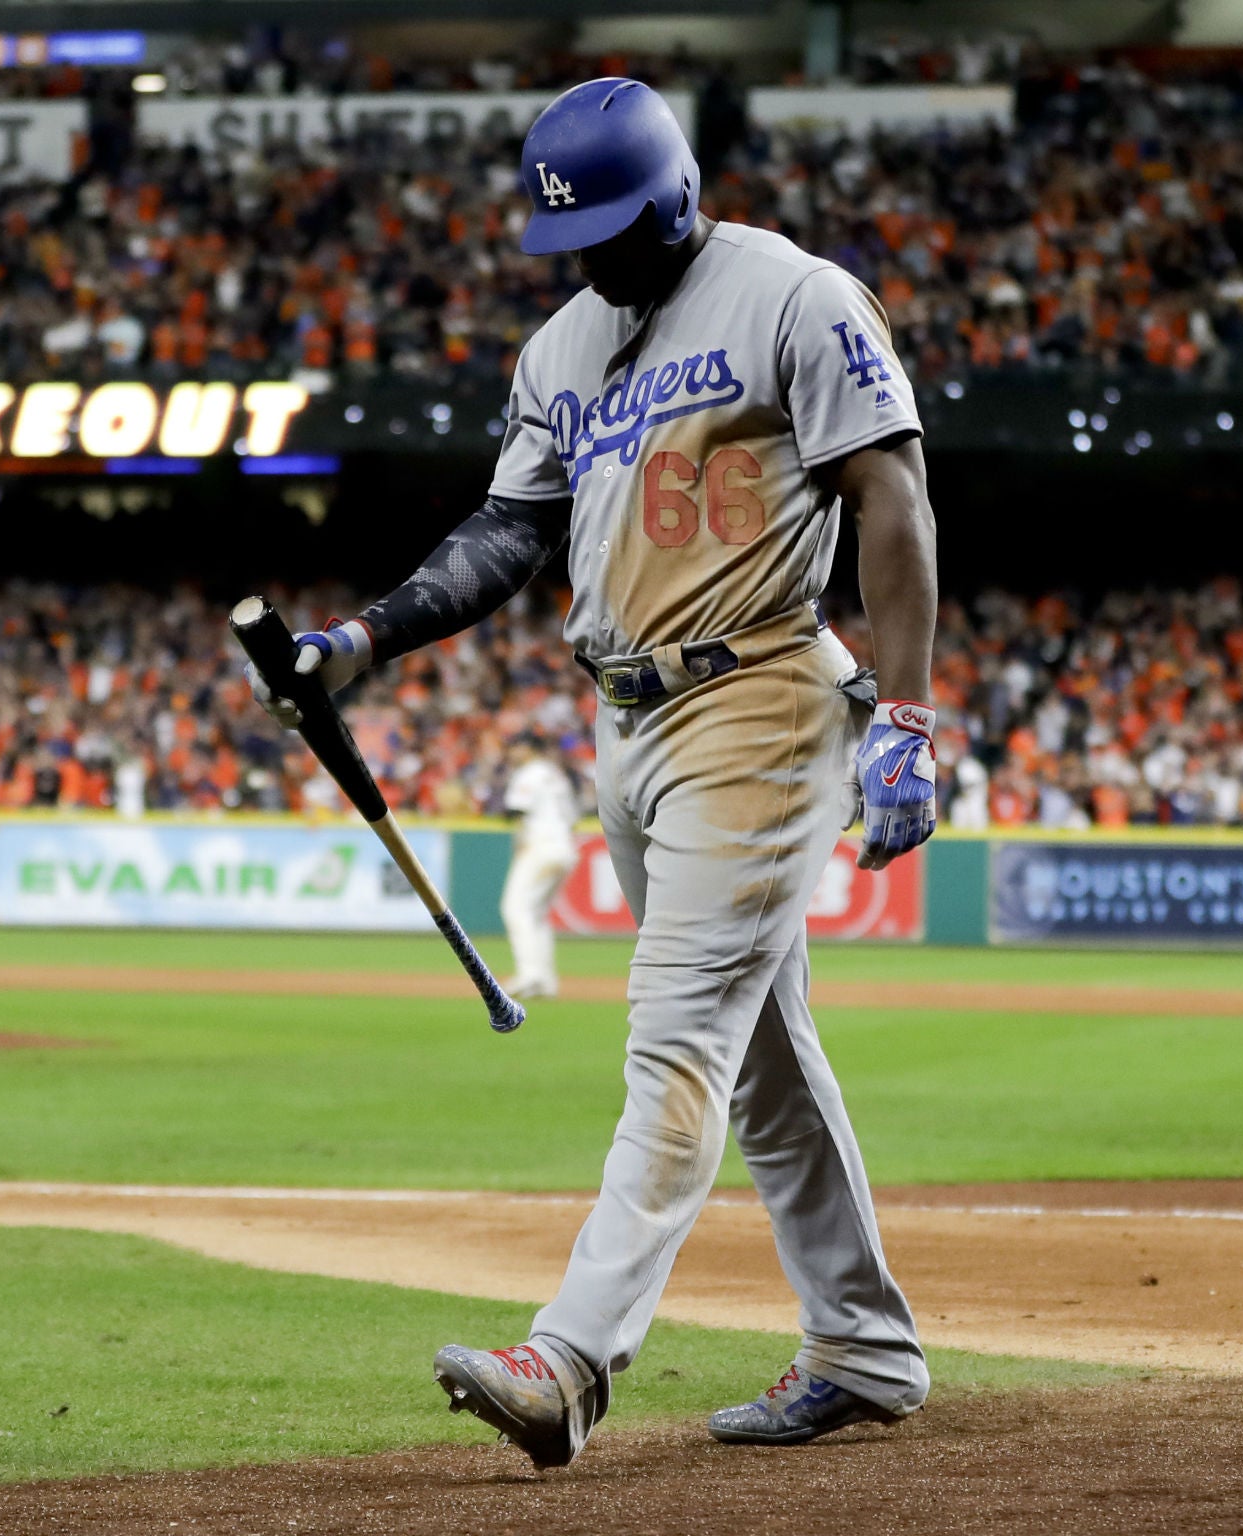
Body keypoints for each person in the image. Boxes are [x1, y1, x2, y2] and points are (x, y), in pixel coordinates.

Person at [248, 78, 938, 1463]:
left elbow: (892, 494)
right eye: (574, 240)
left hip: (755, 697)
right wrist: (366, 638)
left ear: (678, 195)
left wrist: (910, 717)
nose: (595, 260)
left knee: (674, 1036)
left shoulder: (798, 299)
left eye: (618, 231)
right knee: (764, 1066)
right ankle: (863, 1348)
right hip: (627, 724)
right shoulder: (561, 346)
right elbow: (509, 533)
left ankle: (566, 1360)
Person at [499, 733, 580, 998]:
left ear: (529, 748)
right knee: (537, 914)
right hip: (564, 846)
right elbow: (572, 817)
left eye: (516, 746)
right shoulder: (555, 774)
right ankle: (545, 981)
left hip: (541, 847)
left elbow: (515, 810)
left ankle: (530, 974)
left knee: (516, 909)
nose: (512, 752)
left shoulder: (529, 773)